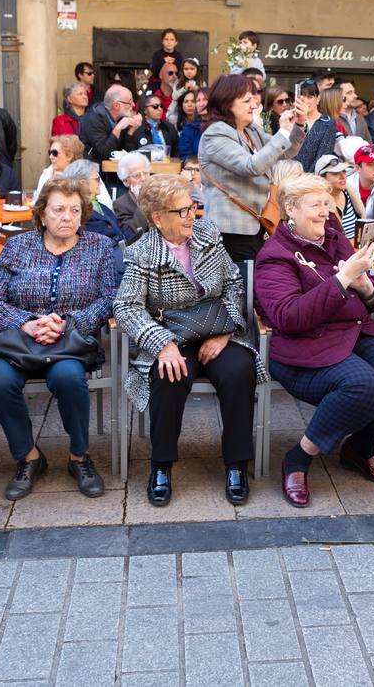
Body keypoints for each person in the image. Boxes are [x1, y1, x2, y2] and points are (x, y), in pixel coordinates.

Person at [256, 174, 374, 507]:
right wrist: (344, 278)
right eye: (315, 205)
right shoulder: (275, 255)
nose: (324, 211)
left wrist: (364, 285)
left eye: (327, 203)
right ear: (290, 209)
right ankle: (299, 458)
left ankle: (359, 446)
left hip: (352, 330)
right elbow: (290, 317)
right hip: (304, 347)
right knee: (365, 387)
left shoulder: (333, 234)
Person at [114, 174, 263, 505]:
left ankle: (236, 464)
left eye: (193, 207)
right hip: (173, 334)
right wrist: (162, 345)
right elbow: (125, 307)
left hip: (216, 328)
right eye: (181, 210)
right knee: (169, 374)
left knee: (240, 370)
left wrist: (226, 331)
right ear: (157, 217)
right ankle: (161, 465)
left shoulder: (207, 234)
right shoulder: (142, 253)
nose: (191, 216)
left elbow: (233, 284)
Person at [0, 179, 116, 500]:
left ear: (83, 216)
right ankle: (28, 456)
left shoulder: (99, 246)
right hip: (19, 342)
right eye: (58, 210)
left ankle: (79, 457)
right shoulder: (17, 247)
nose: (66, 217)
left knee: (68, 378)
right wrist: (27, 323)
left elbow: (110, 298)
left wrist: (69, 323)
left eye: (74, 210)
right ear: (42, 214)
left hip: (69, 343)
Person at [198, 74, 297, 263]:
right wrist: (283, 131)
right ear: (227, 104)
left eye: (253, 99)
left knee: (253, 284)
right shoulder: (216, 134)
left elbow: (286, 151)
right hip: (229, 230)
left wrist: (296, 125)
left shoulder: (250, 129)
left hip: (254, 224)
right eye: (246, 100)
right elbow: (251, 166)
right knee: (241, 287)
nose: (254, 105)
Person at [78, 83, 142, 177]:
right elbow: (105, 153)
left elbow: (127, 152)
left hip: (116, 173)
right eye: (129, 102)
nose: (133, 105)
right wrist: (118, 128)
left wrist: (131, 131)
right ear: (116, 105)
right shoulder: (94, 118)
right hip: (94, 174)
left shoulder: (121, 117)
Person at [294, 86, 346, 172]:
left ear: (318, 99)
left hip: (313, 178)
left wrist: (308, 178)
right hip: (288, 175)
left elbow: (323, 157)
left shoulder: (327, 123)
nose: (305, 100)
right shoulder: (289, 118)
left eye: (310, 97)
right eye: (302, 96)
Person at [316, 154, 363, 242]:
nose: (343, 176)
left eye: (344, 171)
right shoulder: (318, 204)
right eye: (335, 173)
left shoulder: (349, 193)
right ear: (322, 179)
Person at [113, 152, 151, 241]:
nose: (143, 179)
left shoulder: (160, 194)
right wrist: (141, 203)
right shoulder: (120, 204)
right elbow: (132, 234)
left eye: (145, 173)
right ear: (126, 181)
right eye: (136, 176)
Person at [36, 133, 85, 198]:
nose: (51, 157)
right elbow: (38, 204)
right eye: (50, 153)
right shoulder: (46, 175)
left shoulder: (89, 176)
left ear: (69, 156)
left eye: (54, 153)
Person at [174, 89, 204, 160]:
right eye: (186, 101)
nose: (189, 105)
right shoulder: (175, 123)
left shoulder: (203, 123)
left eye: (193, 101)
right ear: (181, 105)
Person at [149, 28, 180, 98]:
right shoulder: (157, 54)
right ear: (162, 41)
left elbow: (181, 70)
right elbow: (154, 70)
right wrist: (163, 61)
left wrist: (174, 61)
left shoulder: (178, 55)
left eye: (172, 40)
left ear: (176, 42)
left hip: (173, 83)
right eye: (166, 39)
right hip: (157, 83)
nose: (169, 42)